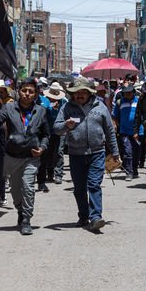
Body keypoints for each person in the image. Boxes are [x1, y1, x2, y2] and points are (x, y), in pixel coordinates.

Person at [54, 77, 120, 231]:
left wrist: (115, 151)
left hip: (97, 152)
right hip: (76, 154)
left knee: (94, 184)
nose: (80, 95)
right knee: (79, 188)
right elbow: (56, 128)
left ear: (90, 93)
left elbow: (109, 131)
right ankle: (83, 216)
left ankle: (96, 216)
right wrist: (65, 125)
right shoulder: (67, 108)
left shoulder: (100, 107)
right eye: (77, 92)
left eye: (83, 92)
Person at [0, 77, 50, 236]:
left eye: (31, 92)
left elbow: (46, 135)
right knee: (15, 190)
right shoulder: (9, 108)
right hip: (12, 156)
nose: (27, 94)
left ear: (35, 95)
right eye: (24, 90)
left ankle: (26, 219)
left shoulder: (41, 111)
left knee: (28, 187)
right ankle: (20, 209)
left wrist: (42, 148)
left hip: (31, 157)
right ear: (18, 92)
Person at [37, 82, 67, 192]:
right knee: (48, 153)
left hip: (61, 130)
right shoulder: (44, 101)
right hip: (48, 131)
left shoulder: (64, 102)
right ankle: (49, 173)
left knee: (59, 152)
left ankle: (58, 174)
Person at [113, 84, 139, 181]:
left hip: (138, 132)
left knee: (136, 152)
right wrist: (118, 125)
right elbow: (114, 116)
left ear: (133, 92)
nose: (128, 94)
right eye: (126, 93)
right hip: (124, 131)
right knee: (127, 152)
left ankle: (134, 169)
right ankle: (129, 172)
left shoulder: (139, 101)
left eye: (130, 92)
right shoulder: (120, 102)